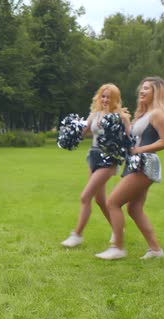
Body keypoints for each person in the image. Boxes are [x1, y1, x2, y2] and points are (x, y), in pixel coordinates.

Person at [96, 77, 164, 260]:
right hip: (135, 162)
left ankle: (118, 247)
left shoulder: (157, 114)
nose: (142, 91)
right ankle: (155, 250)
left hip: (145, 164)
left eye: (147, 88)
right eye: (142, 88)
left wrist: (140, 150)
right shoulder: (144, 114)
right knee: (134, 208)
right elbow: (132, 140)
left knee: (112, 202)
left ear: (157, 92)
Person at [61, 84, 130, 248]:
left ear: (115, 99)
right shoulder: (95, 114)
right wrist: (69, 133)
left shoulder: (121, 117)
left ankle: (77, 235)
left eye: (109, 97)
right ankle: (117, 228)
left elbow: (129, 140)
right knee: (100, 200)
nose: (105, 99)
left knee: (85, 196)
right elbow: (82, 132)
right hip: (93, 156)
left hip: (108, 159)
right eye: (103, 96)